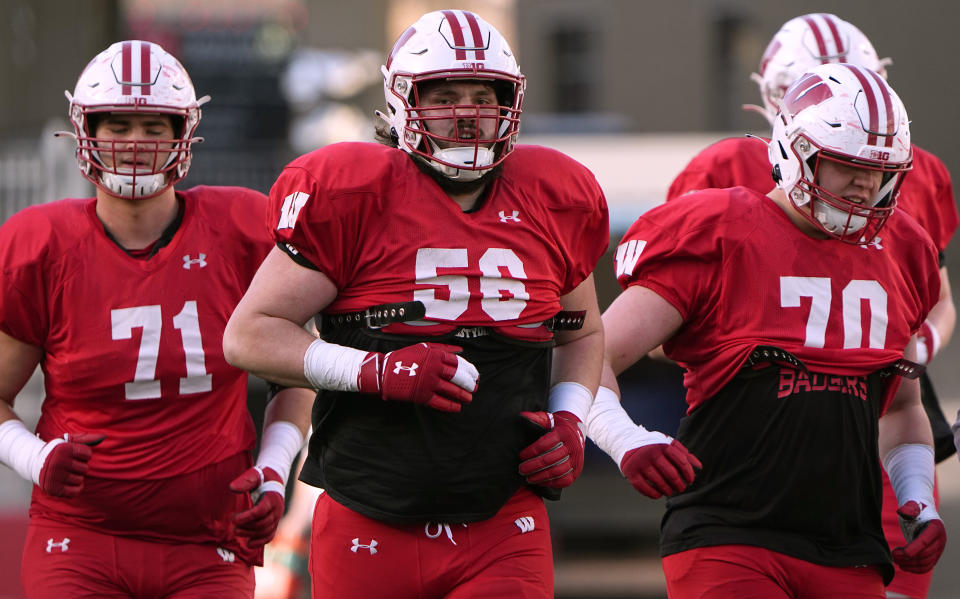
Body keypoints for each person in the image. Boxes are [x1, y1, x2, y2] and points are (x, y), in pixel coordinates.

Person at [222, 9, 608, 599]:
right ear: (403, 102)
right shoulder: (353, 194)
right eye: (445, 94)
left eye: (483, 94)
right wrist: (372, 370)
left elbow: (579, 332)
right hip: (368, 513)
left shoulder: (553, 197)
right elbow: (249, 334)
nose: (467, 112)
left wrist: (571, 417)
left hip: (503, 518)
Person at [586, 63, 947, 597]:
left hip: (849, 542)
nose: (866, 184)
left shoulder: (903, 250)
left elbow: (899, 406)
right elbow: (588, 359)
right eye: (845, 164)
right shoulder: (722, 231)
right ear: (793, 151)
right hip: (729, 532)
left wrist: (917, 495)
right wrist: (628, 442)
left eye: (881, 170)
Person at [0, 40, 313, 599]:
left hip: (208, 538)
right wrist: (33, 456)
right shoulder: (41, 246)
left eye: (152, 125)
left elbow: (295, 373)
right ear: (86, 130)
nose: (135, 143)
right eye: (118, 125)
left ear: (182, 133)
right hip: (81, 536)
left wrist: (273, 467)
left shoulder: (240, 228)